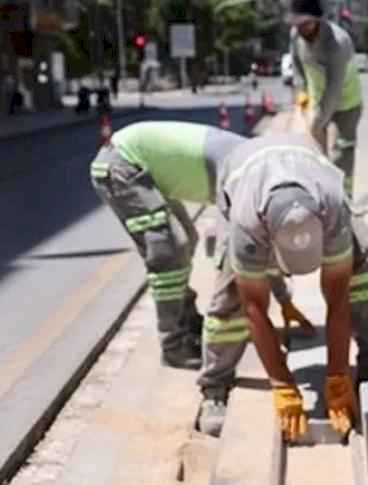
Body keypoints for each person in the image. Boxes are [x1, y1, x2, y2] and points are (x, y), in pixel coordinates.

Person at [196, 133, 368, 437]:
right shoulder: (246, 221)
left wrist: (337, 376)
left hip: (308, 172)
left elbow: (337, 299)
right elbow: (255, 309)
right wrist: (282, 384)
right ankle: (214, 386)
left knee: (363, 260)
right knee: (232, 294)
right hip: (247, 177)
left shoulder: (332, 207)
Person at [90, 121, 313, 370]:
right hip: (122, 166)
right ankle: (173, 345)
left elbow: (263, 247)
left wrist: (284, 300)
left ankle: (186, 320)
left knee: (187, 239)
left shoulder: (263, 176)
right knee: (169, 251)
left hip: (137, 164)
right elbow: (237, 252)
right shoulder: (247, 183)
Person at [288, 0, 363, 197]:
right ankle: (322, 196)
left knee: (341, 154)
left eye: (307, 23)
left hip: (346, 103)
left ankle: (343, 200)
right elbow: (298, 69)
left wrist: (315, 123)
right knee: (316, 154)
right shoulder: (296, 35)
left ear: (318, 20)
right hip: (318, 99)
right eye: (298, 23)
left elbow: (333, 91)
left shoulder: (337, 43)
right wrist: (303, 98)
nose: (302, 28)